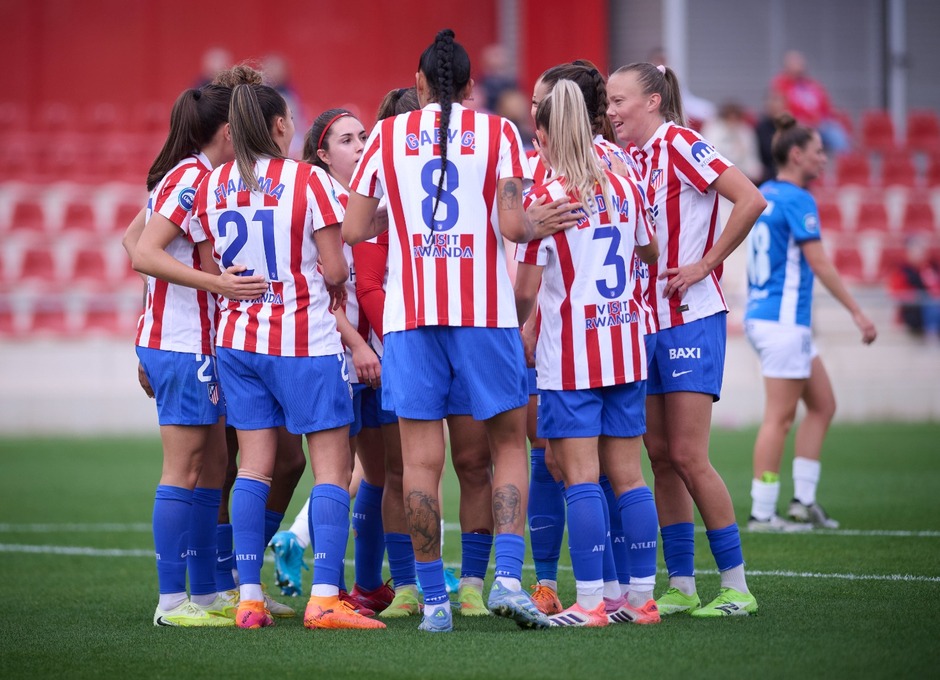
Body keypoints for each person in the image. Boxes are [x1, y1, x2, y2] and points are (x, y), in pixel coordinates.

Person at [135, 82, 383, 632]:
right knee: (332, 467)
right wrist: (334, 284)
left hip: (238, 341)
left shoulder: (213, 183)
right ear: (277, 127)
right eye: (288, 118)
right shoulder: (309, 179)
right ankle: (323, 597)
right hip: (303, 340)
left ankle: (246, 596)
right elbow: (336, 267)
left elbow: (204, 258)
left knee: (251, 466)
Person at [342, 29, 559, 633]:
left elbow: (358, 229)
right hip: (485, 313)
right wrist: (534, 220)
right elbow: (515, 228)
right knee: (508, 445)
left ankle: (433, 600)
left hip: (410, 317)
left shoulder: (386, 135)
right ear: (470, 86)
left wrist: (407, 213)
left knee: (419, 462)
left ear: (416, 85)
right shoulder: (499, 132)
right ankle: (509, 581)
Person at [607, 62, 767, 617]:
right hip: (640, 321)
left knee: (688, 454)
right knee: (659, 456)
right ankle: (681, 585)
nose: (611, 111)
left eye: (619, 100)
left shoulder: (681, 143)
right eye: (606, 102)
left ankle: (737, 587)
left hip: (690, 318)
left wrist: (707, 263)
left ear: (652, 101)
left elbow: (749, 198)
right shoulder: (625, 156)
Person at [515, 79, 661, 627]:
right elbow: (649, 249)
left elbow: (525, 291)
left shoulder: (546, 198)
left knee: (578, 477)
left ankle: (593, 602)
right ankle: (640, 599)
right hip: (625, 343)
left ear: (546, 133)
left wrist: (515, 323)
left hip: (572, 352)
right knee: (629, 476)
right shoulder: (625, 180)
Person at [124, 80, 269, 627]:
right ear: (228, 131)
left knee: (214, 467)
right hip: (182, 343)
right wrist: (213, 285)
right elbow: (143, 253)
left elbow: (127, 239)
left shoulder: (187, 175)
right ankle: (169, 602)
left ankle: (206, 593)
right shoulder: (188, 179)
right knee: (184, 468)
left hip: (189, 342)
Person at [745, 114, 878, 532]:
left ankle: (803, 500)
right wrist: (857, 311)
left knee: (823, 404)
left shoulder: (764, 192)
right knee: (779, 418)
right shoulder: (798, 198)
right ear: (797, 154)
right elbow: (818, 262)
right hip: (784, 323)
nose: (825, 158)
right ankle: (763, 511)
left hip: (769, 318)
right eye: (819, 151)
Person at [770, 50, 850, 155]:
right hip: (796, 124)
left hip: (820, 124)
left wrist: (824, 118)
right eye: (795, 63)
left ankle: (843, 165)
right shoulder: (780, 84)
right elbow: (779, 109)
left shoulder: (812, 84)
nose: (799, 67)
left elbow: (826, 106)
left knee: (838, 135)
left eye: (800, 63)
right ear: (787, 66)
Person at [887, 236, 940, 341]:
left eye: (922, 250)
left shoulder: (931, 268)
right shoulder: (902, 271)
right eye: (916, 251)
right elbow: (898, 293)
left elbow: (936, 290)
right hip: (914, 312)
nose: (920, 254)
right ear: (908, 252)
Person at [701, 102, 763, 184]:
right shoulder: (713, 130)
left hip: (743, 175)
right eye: (729, 118)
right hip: (719, 176)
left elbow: (752, 157)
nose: (732, 122)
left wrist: (754, 171)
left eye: (735, 118)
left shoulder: (746, 132)